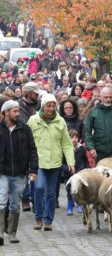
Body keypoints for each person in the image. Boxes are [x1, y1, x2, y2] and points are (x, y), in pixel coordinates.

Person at [28, 94, 75, 231]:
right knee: (39, 187)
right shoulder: (33, 120)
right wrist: (28, 163)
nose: (51, 108)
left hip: (55, 162)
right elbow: (27, 142)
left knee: (51, 192)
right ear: (42, 106)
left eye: (53, 106)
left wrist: (71, 161)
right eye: (48, 105)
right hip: (38, 162)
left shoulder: (60, 122)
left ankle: (48, 220)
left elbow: (66, 144)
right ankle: (38, 217)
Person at [0, 100, 38, 245]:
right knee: (1, 202)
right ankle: (0, 234)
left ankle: (12, 233)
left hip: (19, 173)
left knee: (15, 204)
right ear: (6, 112)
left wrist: (33, 169)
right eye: (15, 111)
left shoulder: (25, 128)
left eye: (18, 111)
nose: (18, 113)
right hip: (2, 172)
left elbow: (32, 150)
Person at [85, 87, 112, 163]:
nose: (108, 99)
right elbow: (87, 131)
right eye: (106, 97)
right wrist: (91, 147)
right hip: (98, 150)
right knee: (99, 173)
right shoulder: (93, 112)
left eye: (110, 97)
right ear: (100, 97)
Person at [18, 82, 42, 211]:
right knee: (24, 171)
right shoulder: (18, 106)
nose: (37, 94)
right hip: (22, 143)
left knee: (35, 169)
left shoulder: (39, 105)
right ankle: (25, 198)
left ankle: (34, 198)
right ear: (28, 94)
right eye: (35, 92)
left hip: (38, 142)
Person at [64, 130, 90, 215]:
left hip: (80, 173)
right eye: (72, 137)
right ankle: (70, 206)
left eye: (76, 137)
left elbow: (85, 160)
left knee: (79, 189)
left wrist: (88, 168)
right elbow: (62, 162)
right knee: (69, 190)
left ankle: (79, 204)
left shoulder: (81, 148)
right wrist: (66, 168)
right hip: (69, 174)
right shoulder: (65, 149)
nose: (74, 139)